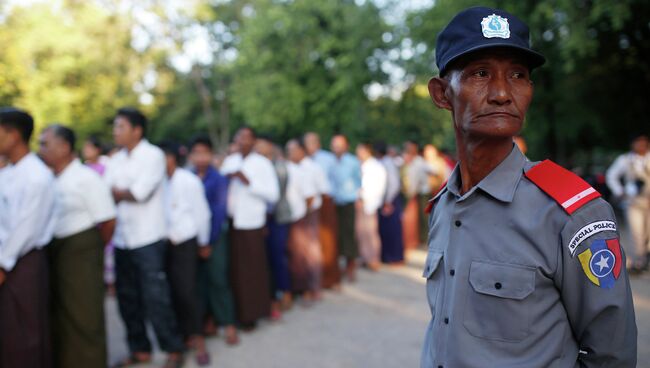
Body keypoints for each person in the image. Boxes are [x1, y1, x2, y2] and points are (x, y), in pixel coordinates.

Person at [421, 7, 636, 367]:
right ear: (442, 94)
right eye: (481, 74)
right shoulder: (444, 205)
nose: (503, 93)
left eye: (518, 75)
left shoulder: (571, 212)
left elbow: (611, 353)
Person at [103, 107, 184, 367]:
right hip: (123, 239)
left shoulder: (153, 155)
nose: (115, 132)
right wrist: (120, 192)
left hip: (148, 238)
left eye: (120, 126)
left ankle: (172, 349)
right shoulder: (115, 159)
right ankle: (140, 349)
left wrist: (120, 192)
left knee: (155, 296)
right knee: (127, 298)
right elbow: (108, 192)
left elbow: (140, 193)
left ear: (137, 130)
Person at [38, 124, 116, 368]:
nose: (40, 150)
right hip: (59, 250)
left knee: (85, 316)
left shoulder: (86, 177)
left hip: (82, 251)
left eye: (44, 144)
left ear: (64, 147)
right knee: (63, 316)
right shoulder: (50, 178)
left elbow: (108, 220)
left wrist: (91, 251)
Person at [0, 107, 56, 368]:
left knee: (26, 335)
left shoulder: (36, 175)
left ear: (13, 135)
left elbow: (26, 228)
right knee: (9, 333)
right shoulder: (9, 173)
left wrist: (3, 263)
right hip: (8, 259)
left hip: (22, 261)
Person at [220, 127, 279, 328]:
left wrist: (248, 182)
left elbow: (273, 195)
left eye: (247, 138)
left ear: (254, 141)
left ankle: (252, 313)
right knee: (234, 270)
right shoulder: (230, 161)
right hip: (231, 223)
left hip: (252, 224)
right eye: (239, 137)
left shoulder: (262, 164)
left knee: (252, 271)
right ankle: (235, 312)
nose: (243, 141)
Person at [160, 142, 212, 366]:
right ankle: (179, 340)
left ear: (171, 158)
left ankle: (198, 339)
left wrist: (203, 242)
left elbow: (202, 214)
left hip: (187, 241)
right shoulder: (158, 182)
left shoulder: (188, 181)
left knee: (187, 291)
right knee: (169, 292)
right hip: (164, 242)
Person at [188, 135, 240, 345]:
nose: (200, 157)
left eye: (204, 153)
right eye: (196, 153)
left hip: (214, 238)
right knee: (199, 282)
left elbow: (218, 213)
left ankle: (228, 323)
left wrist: (208, 242)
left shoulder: (218, 179)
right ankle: (206, 321)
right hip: (193, 239)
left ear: (211, 155)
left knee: (218, 279)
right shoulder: (187, 177)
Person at [256, 136, 293, 317]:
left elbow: (274, 196)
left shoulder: (278, 168)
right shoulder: (257, 166)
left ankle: (284, 292)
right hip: (263, 219)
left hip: (276, 218)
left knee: (278, 256)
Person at [285, 139, 323, 303]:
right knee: (293, 255)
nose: (290, 153)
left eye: (293, 150)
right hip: (288, 218)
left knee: (306, 255)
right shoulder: (286, 168)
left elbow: (310, 196)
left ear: (301, 151)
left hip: (302, 216)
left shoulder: (305, 170)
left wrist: (303, 214)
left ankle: (309, 288)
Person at [606, 134, 650, 273]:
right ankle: (639, 261)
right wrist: (620, 191)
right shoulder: (625, 160)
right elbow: (611, 175)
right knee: (637, 232)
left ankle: (646, 258)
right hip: (633, 202)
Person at [304, 132, 342, 289]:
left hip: (326, 202)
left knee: (328, 241)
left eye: (312, 142)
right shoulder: (304, 161)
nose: (309, 146)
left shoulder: (327, 159)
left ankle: (331, 278)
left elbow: (336, 181)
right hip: (309, 205)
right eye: (306, 143)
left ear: (318, 143)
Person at [330, 135, 362, 281]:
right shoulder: (330, 161)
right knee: (337, 235)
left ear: (346, 146)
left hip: (349, 201)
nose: (336, 148)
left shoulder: (352, 162)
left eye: (339, 145)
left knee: (349, 234)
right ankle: (340, 265)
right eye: (334, 145)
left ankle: (351, 265)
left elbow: (358, 181)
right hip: (334, 202)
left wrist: (357, 197)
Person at [375, 142, 404, 264]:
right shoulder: (383, 162)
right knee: (384, 230)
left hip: (390, 200)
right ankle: (385, 256)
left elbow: (393, 184)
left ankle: (394, 257)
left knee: (392, 230)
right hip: (386, 199)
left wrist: (388, 201)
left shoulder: (387, 163)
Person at [401, 140, 432, 250]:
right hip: (411, 192)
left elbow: (433, 170)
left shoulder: (420, 162)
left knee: (422, 217)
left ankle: (423, 239)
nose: (409, 150)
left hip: (421, 192)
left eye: (411, 148)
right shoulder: (407, 160)